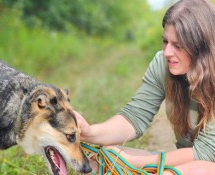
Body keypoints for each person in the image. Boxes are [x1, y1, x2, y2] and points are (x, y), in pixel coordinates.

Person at [74, 0, 215, 174]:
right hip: (188, 163)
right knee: (100, 160)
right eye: (165, 42)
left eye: (178, 46)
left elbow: (206, 154)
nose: (167, 52)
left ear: (202, 48)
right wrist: (89, 132)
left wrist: (135, 161)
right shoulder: (163, 64)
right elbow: (134, 117)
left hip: (205, 164)